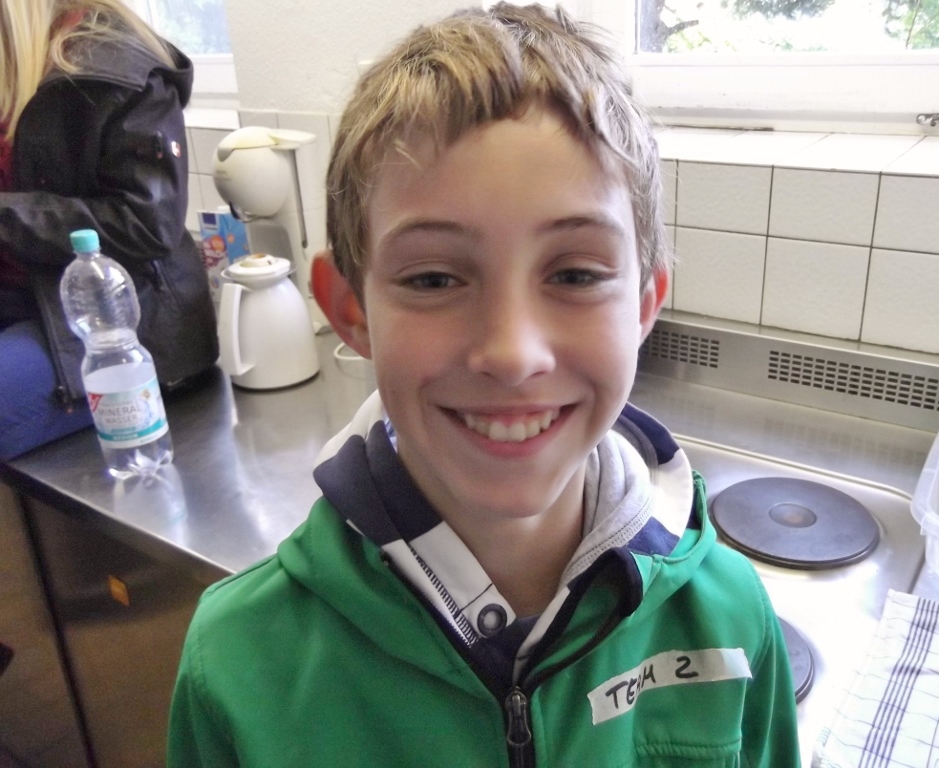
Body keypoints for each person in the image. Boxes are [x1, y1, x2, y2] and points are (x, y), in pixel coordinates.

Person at [166, 4, 800, 766]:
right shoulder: (239, 667)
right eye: (434, 278)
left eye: (575, 274)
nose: (512, 354)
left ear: (643, 305)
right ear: (350, 310)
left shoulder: (731, 622)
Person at [0, 0, 218, 461]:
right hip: (23, 298)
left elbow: (147, 224)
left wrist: (6, 217)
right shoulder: (14, 59)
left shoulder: (115, 67)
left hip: (111, 321)